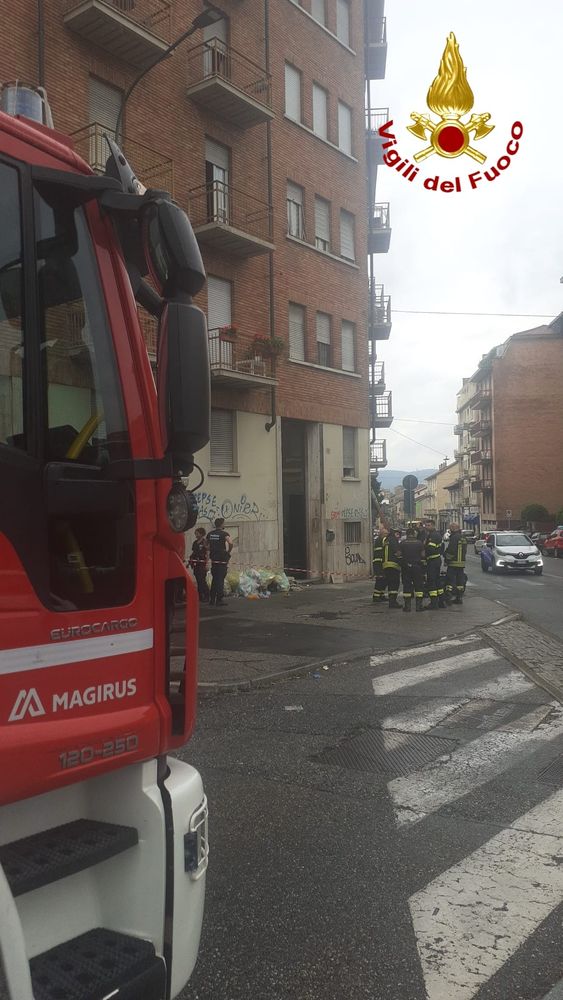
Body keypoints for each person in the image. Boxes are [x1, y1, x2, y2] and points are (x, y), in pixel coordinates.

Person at [206, 517, 233, 607]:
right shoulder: (224, 533)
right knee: (220, 578)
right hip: (222, 558)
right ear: (222, 524)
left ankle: (212, 599)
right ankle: (219, 599)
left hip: (214, 558)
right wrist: (228, 551)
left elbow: (206, 545)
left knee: (215, 578)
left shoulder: (210, 534)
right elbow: (230, 543)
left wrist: (212, 549)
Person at [399, 527, 426, 612]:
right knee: (418, 586)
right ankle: (418, 607)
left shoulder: (402, 543)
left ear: (407, 534)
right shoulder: (419, 543)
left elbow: (398, 554)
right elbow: (423, 555)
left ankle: (407, 607)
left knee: (407, 585)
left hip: (406, 567)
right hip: (417, 567)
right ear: (414, 534)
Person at [443, 522, 467, 605]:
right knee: (460, 581)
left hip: (453, 563)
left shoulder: (454, 537)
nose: (449, 530)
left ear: (453, 528)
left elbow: (451, 550)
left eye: (450, 528)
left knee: (449, 581)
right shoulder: (463, 537)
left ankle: (448, 598)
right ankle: (459, 598)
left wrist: (446, 559)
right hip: (461, 563)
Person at [424, 518, 445, 609]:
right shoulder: (437, 535)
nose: (426, 527)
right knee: (437, 581)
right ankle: (441, 602)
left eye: (428, 525)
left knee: (431, 581)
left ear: (433, 525)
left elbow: (430, 549)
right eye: (426, 525)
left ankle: (433, 603)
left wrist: (425, 546)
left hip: (432, 561)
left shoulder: (433, 535)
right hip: (436, 560)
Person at [382, 526, 402, 609]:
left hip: (385, 565)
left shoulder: (386, 540)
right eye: (398, 534)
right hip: (393, 565)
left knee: (390, 584)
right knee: (394, 584)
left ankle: (391, 601)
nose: (399, 536)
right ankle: (393, 602)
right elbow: (398, 553)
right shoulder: (393, 540)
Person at [189, 527, 210, 603]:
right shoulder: (195, 543)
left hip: (202, 564)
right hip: (196, 564)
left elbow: (207, 552)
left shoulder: (205, 542)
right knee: (198, 580)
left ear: (201, 534)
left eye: (197, 533)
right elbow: (194, 552)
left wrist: (207, 564)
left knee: (202, 580)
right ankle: (200, 596)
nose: (196, 535)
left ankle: (207, 595)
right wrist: (190, 562)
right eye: (195, 533)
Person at [372, 527, 387, 603]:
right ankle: (376, 596)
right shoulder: (379, 540)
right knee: (380, 580)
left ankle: (381, 594)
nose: (386, 535)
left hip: (382, 563)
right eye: (385, 534)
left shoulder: (381, 540)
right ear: (381, 534)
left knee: (384, 580)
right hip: (378, 563)